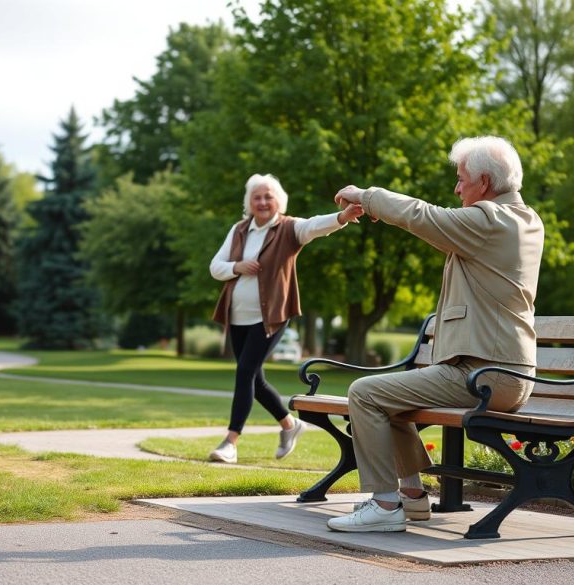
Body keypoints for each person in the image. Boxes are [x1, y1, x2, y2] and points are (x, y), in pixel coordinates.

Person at [324, 136, 544, 532]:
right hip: (500, 371)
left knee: (364, 393)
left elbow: (423, 215)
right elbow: (428, 222)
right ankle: (410, 498)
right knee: (388, 395)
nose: (457, 189)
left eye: (461, 180)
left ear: (483, 181)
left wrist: (367, 196)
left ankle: (385, 505)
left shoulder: (492, 221)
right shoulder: (520, 219)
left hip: (486, 374)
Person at [209, 173, 364, 463]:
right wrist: (238, 266)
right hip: (238, 317)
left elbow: (315, 225)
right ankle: (290, 425)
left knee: (244, 374)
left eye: (268, 196)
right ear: (249, 202)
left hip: (271, 317)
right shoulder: (239, 230)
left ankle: (230, 442)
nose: (263, 201)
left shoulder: (289, 228)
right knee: (254, 379)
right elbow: (216, 267)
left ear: (278, 200)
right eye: (257, 197)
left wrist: (341, 216)